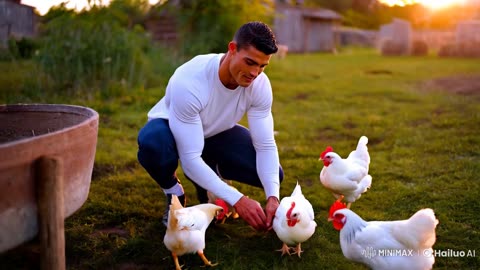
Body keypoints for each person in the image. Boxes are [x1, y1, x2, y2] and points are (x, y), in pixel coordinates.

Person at [137, 21, 284, 231]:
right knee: (152, 144)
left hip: (215, 134)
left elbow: (266, 146)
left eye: (262, 66)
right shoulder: (189, 81)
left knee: (273, 176)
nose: (255, 73)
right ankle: (173, 192)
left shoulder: (260, 85)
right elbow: (189, 159)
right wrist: (238, 200)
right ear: (232, 49)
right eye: (250, 62)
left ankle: (211, 182)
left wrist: (273, 197)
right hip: (170, 130)